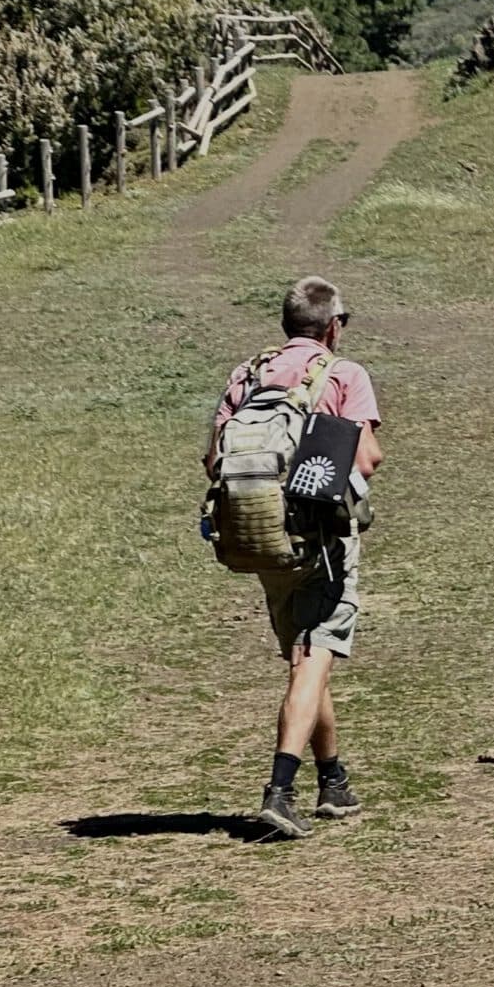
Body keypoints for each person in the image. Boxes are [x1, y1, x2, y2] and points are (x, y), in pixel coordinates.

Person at [205, 275, 385, 839]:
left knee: (308, 657)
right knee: (314, 657)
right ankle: (280, 790)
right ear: (333, 326)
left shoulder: (247, 375)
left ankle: (333, 779)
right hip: (321, 542)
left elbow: (214, 461)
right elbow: (370, 459)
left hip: (260, 541)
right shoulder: (343, 374)